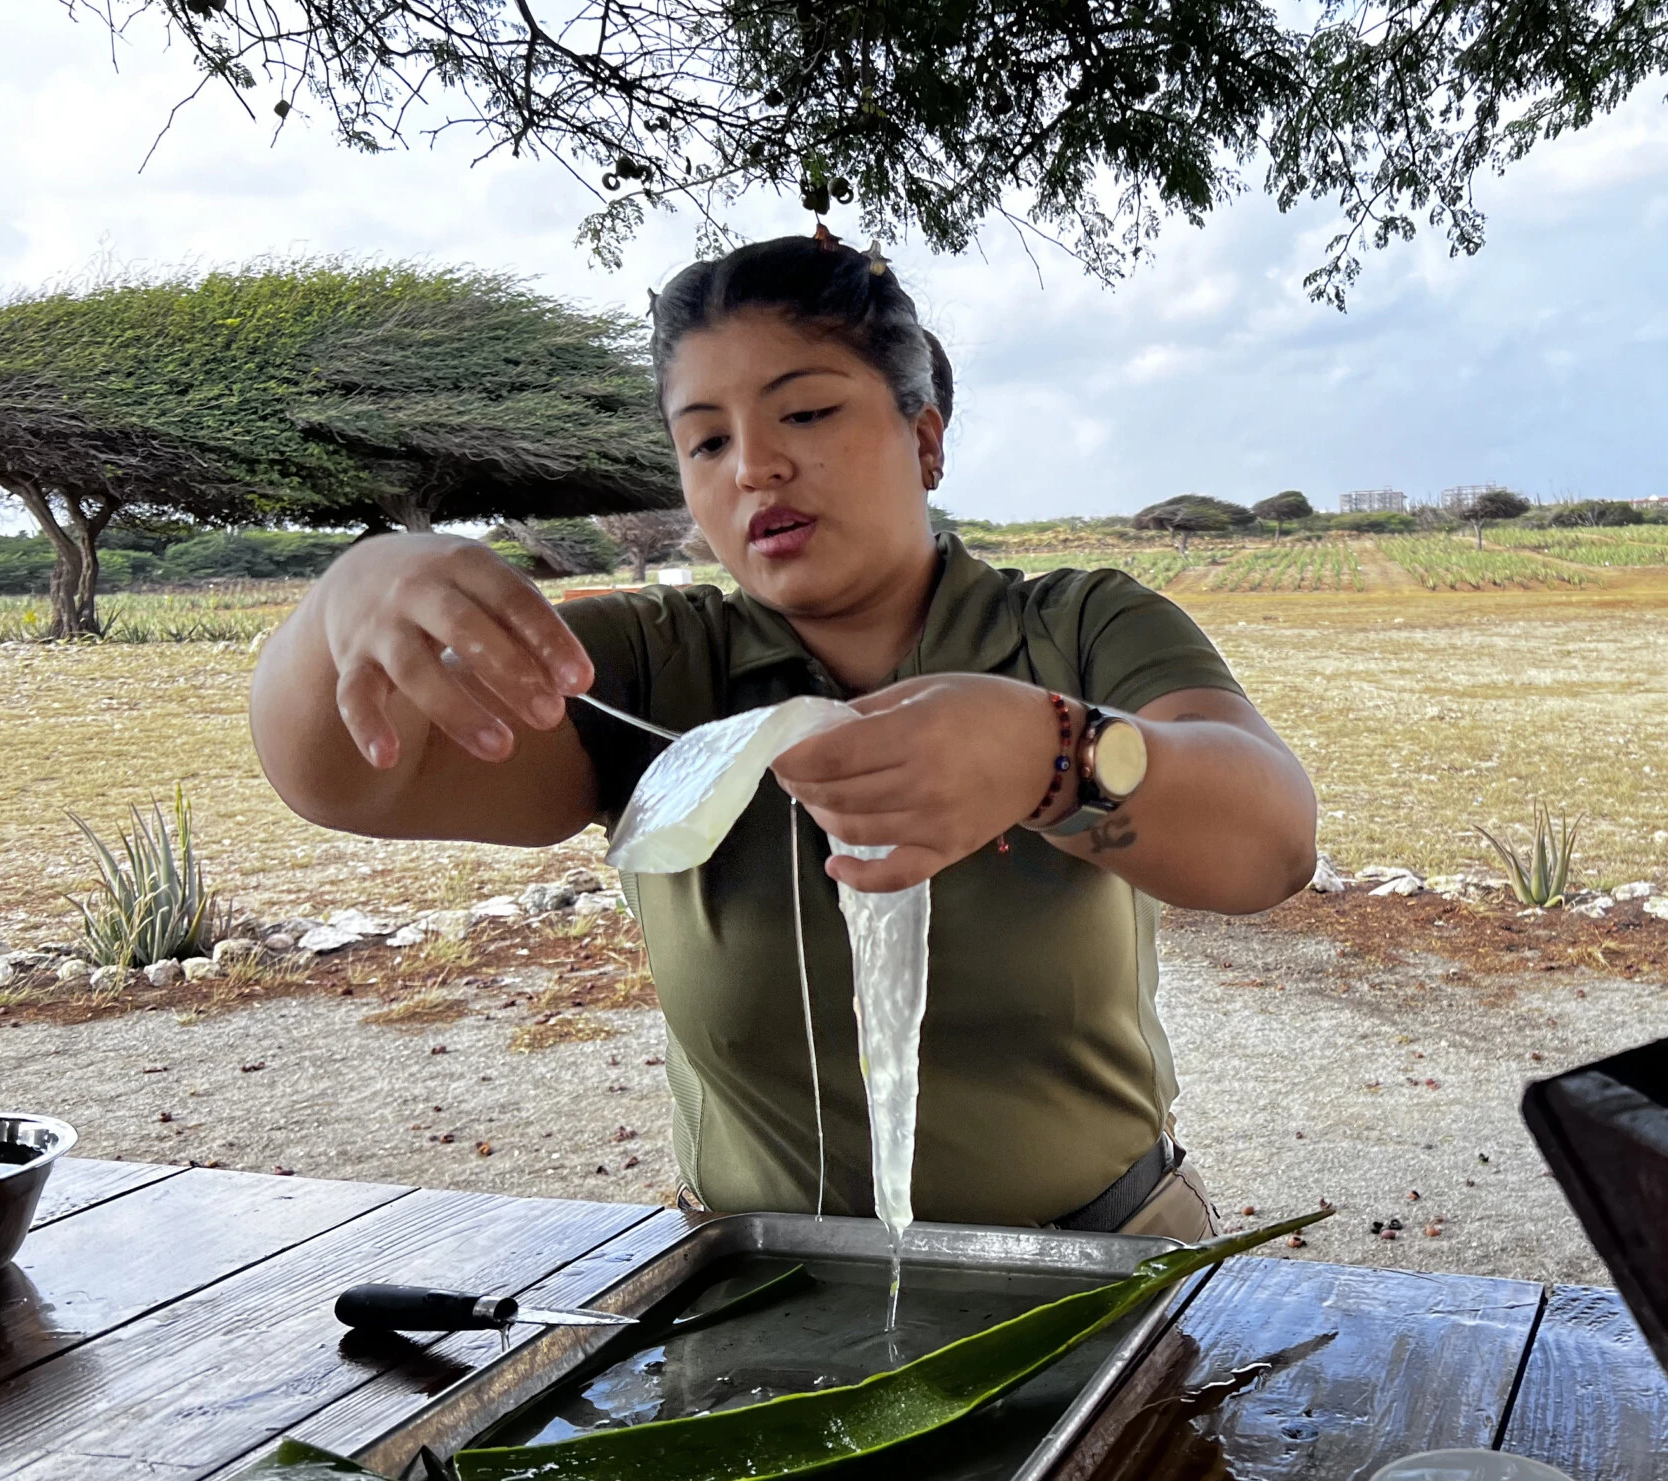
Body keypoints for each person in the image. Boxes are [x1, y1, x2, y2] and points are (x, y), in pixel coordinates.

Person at [249, 230, 1318, 1240]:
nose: (752, 466)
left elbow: (1268, 845)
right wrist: (346, 600)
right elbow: (350, 780)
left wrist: (1051, 755)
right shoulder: (655, 662)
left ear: (925, 435)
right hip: (757, 1288)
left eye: (803, 414)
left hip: (1100, 1262)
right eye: (705, 439)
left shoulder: (1079, 627)